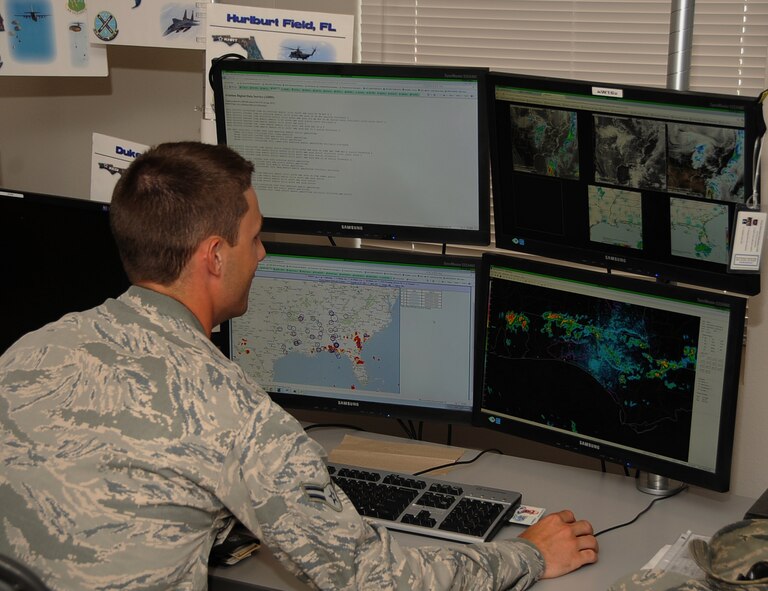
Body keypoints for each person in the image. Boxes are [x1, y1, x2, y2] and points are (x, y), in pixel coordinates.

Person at [0, 141, 598, 590]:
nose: (262, 255)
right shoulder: (238, 419)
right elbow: (371, 578)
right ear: (214, 256)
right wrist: (528, 557)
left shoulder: (28, 353)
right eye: (255, 238)